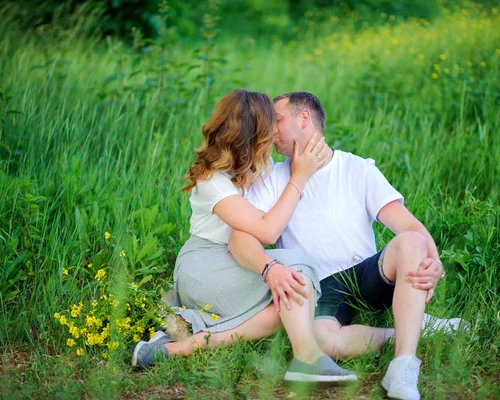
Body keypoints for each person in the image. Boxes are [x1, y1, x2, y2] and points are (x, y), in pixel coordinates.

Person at [228, 92, 466, 400]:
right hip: (319, 287)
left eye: (278, 120)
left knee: (410, 243)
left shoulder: (356, 169)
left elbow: (410, 228)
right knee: (323, 345)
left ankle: (403, 365)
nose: (270, 130)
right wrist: (268, 268)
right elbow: (243, 237)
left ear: (304, 119)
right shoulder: (272, 177)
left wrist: (434, 263)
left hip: (367, 276)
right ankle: (418, 327)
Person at [132, 89, 357, 382]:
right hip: (205, 266)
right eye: (270, 126)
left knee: (292, 302)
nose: (277, 131)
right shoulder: (213, 182)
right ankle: (307, 358)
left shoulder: (252, 168)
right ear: (254, 136)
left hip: (235, 263)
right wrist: (300, 177)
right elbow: (267, 229)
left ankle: (174, 349)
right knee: (298, 271)